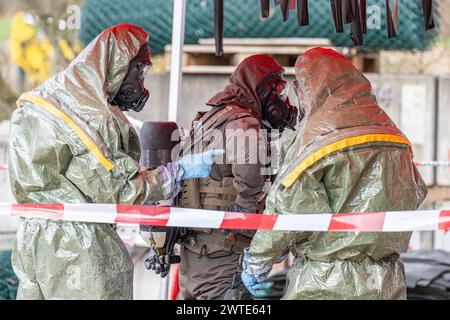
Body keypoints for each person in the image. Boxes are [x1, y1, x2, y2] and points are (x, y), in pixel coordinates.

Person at [8, 24, 223, 300]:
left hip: (32, 241)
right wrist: (176, 172)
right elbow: (120, 188)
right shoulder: (87, 115)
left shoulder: (47, 98)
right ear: (118, 62)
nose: (141, 83)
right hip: (78, 248)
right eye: (139, 71)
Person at [241, 47, 428, 300]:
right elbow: (415, 193)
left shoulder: (315, 138)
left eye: (299, 89)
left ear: (312, 87)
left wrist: (258, 260)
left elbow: (289, 208)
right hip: (386, 281)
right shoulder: (393, 136)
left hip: (325, 281)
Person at [178, 54, 299, 300]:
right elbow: (250, 178)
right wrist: (246, 215)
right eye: (278, 90)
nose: (282, 101)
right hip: (225, 252)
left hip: (198, 250)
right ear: (261, 89)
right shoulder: (243, 123)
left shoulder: (210, 118)